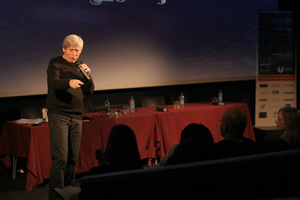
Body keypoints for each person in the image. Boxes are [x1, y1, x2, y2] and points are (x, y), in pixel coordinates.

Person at [47, 34, 94, 200]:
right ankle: (55, 196)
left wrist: (88, 76)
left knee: (73, 158)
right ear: (64, 49)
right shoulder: (55, 63)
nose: (75, 54)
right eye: (72, 50)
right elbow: (53, 83)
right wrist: (69, 82)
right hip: (59, 115)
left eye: (78, 51)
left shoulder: (80, 66)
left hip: (76, 115)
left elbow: (89, 91)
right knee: (60, 158)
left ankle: (68, 193)